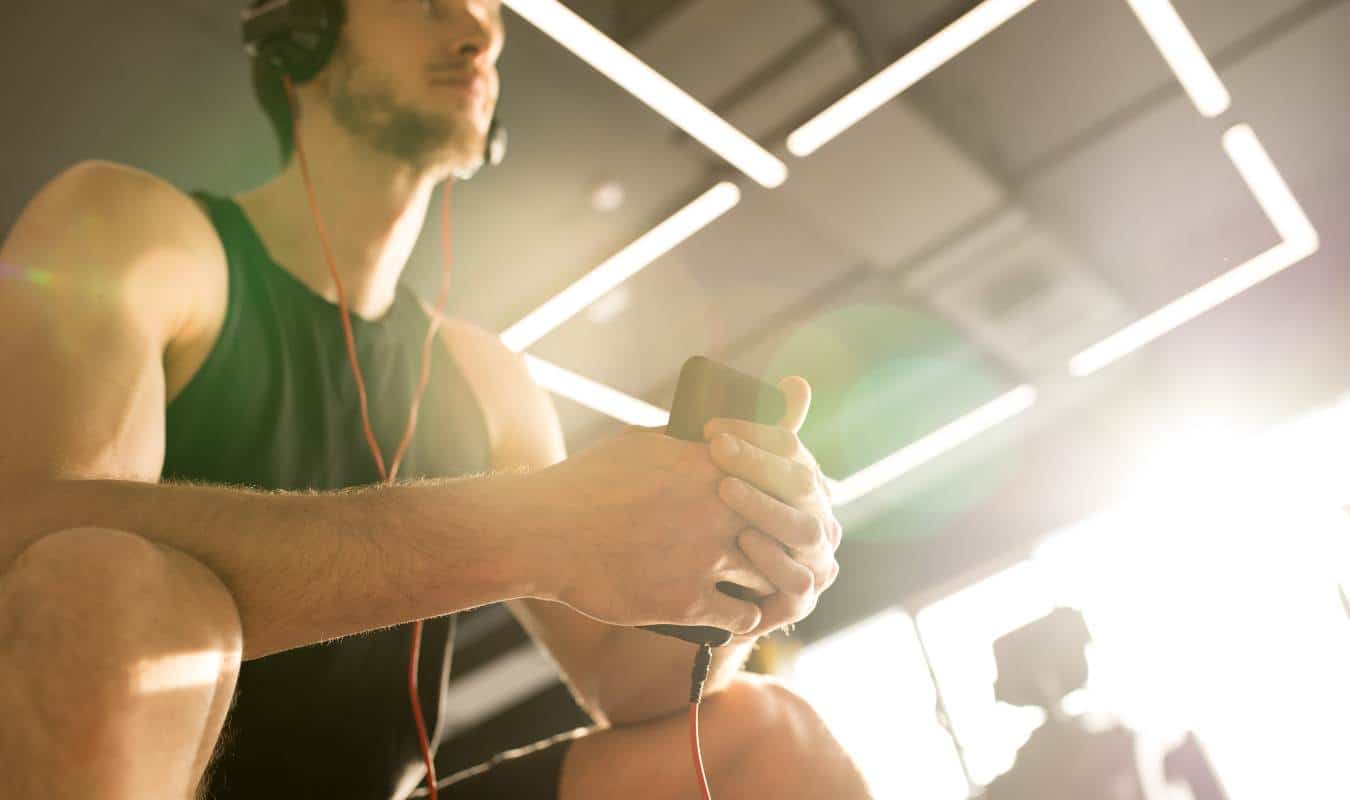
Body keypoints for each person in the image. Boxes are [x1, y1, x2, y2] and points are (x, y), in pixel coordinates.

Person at [0, 0, 873, 798]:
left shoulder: (489, 380)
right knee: (102, 578)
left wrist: (738, 574)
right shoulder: (135, 230)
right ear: (302, 23)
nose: (478, 29)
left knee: (769, 736)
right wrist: (535, 528)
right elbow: (34, 539)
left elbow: (628, 684)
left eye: (490, 9)